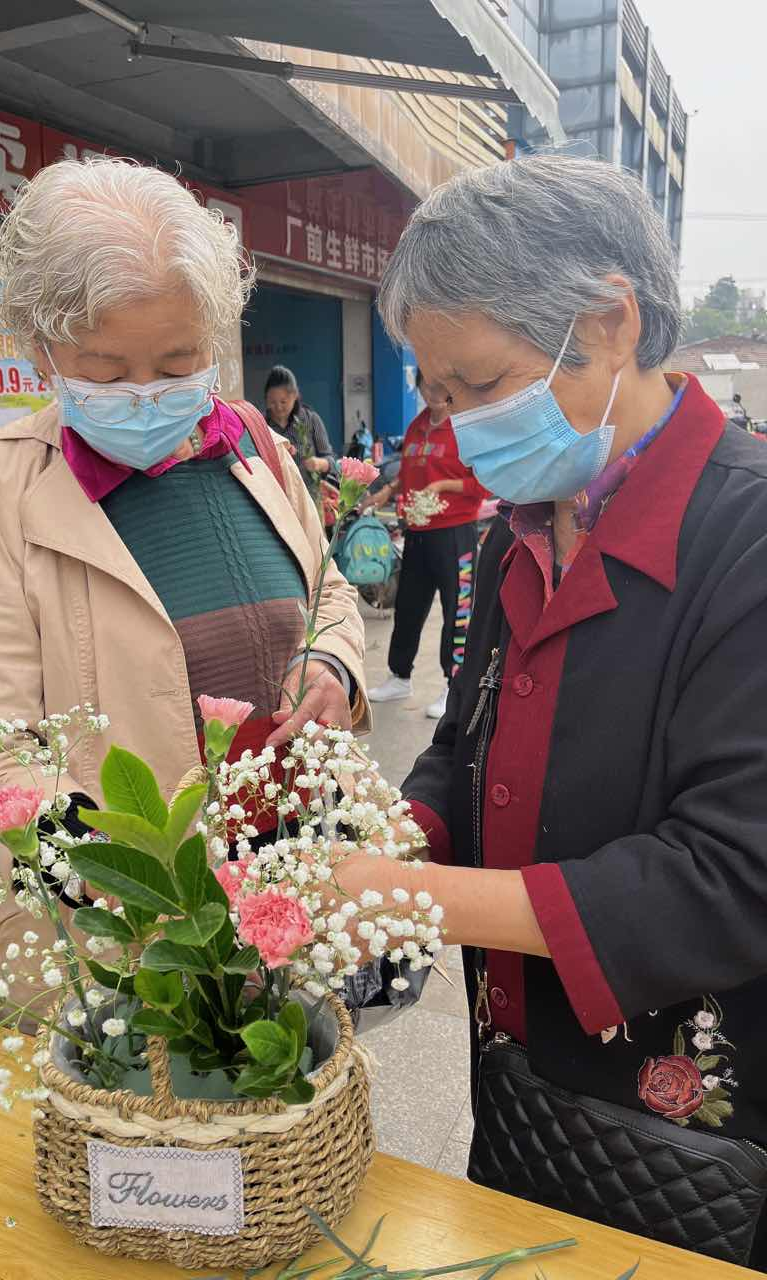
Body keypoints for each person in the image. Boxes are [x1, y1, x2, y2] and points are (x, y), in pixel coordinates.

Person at [337, 155, 767, 1269]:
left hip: (700, 1135)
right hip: (524, 1080)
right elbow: (462, 741)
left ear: (611, 324)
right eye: (441, 393)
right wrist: (397, 841)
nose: (463, 425)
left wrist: (416, 896)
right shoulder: (519, 528)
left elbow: (732, 876)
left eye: (484, 383)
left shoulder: (747, 542)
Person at [0, 158, 368, 988]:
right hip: (131, 920)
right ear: (40, 350)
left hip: (289, 867)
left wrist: (331, 663)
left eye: (176, 363)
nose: (145, 394)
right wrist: (114, 875)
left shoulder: (254, 446)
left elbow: (328, 591)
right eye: (104, 369)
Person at [368, 372, 489, 719]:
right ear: (419, 386)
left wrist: (442, 486)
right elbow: (408, 472)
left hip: (455, 532)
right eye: (427, 385)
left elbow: (482, 483)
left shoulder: (465, 428)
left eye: (440, 386)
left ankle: (455, 686)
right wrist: (388, 491)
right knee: (408, 606)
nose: (433, 393)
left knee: (457, 612)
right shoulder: (418, 426)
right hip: (419, 531)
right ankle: (399, 676)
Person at [264, 365, 338, 509]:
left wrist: (319, 463)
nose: (278, 407)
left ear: (295, 395)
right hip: (277, 502)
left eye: (283, 401)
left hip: (310, 499)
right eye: (272, 402)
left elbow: (332, 462)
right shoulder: (262, 425)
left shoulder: (311, 420)